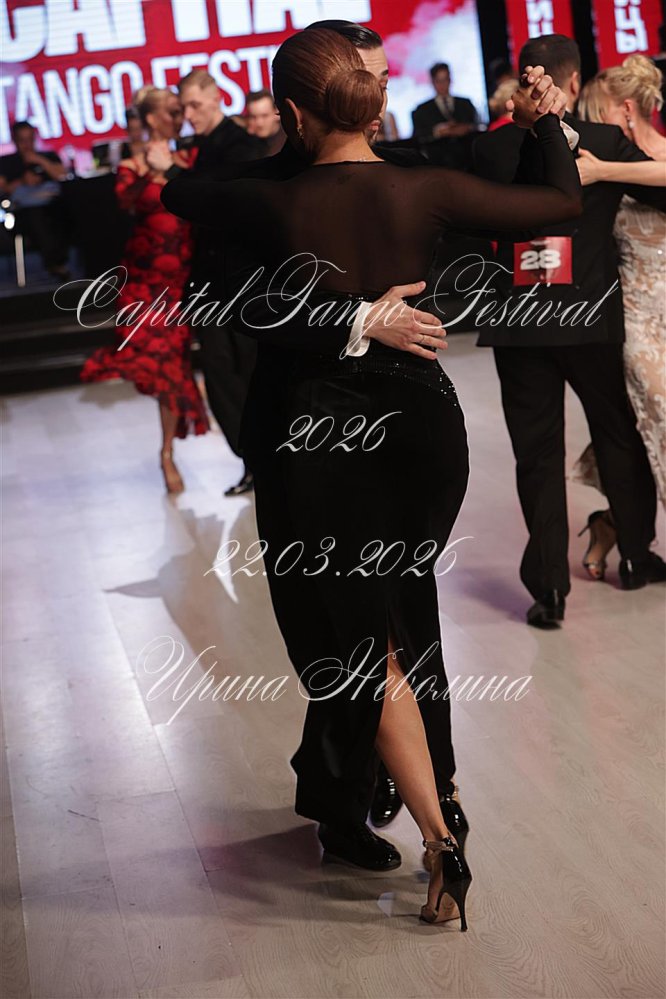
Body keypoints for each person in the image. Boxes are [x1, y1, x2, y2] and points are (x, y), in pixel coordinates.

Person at [163, 27, 581, 927]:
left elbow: (180, 195)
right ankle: (366, 795)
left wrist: (341, 306)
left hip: (316, 435)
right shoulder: (422, 184)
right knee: (395, 621)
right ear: (376, 100)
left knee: (358, 645)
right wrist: (546, 121)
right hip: (422, 431)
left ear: (295, 112)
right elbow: (557, 201)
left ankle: (437, 831)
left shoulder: (269, 198)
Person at [473, 34, 666, 626]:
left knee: (536, 453)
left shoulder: (488, 150)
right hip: (588, 316)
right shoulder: (602, 143)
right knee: (618, 435)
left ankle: (549, 590)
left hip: (519, 321)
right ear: (575, 82)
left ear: (521, 82)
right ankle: (634, 555)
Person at [81, 86, 208, 493]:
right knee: (159, 362)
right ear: (152, 118)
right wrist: (152, 171)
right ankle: (167, 453)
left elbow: (205, 197)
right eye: (172, 111)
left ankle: (167, 449)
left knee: (173, 364)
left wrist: (171, 169)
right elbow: (126, 203)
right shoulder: (132, 166)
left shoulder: (191, 158)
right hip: (145, 282)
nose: (179, 118)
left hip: (183, 281)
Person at [568, 58, 666, 577]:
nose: (591, 123)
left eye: (598, 112)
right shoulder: (593, 161)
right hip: (635, 315)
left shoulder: (607, 164)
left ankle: (612, 522)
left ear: (627, 109)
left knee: (638, 431)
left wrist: (605, 170)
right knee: (658, 413)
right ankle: (628, 532)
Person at [173, 69, 264, 496]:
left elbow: (221, 202)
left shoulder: (240, 145)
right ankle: (253, 460)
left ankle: (265, 461)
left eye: (195, 104)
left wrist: (174, 176)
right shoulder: (206, 147)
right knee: (220, 374)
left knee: (246, 371)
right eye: (184, 107)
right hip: (211, 282)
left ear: (216, 98)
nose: (189, 114)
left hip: (241, 282)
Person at [0, 121, 69, 278]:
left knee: (65, 212)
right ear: (14, 140)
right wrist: (22, 181)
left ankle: (57, 263)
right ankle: (56, 263)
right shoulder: (6, 162)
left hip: (53, 205)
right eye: (22, 140)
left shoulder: (48, 157)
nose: (27, 145)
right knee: (36, 216)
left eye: (30, 139)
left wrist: (39, 161)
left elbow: (63, 175)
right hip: (22, 211)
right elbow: (3, 188)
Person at [411, 63, 479, 167]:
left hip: (467, 162)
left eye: (445, 80)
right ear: (432, 82)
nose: (443, 85)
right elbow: (417, 137)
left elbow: (478, 126)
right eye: (438, 81)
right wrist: (437, 132)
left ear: (450, 80)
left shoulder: (465, 104)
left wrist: (467, 128)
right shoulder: (421, 110)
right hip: (439, 164)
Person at [245, 89, 286, 156]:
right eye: (253, 117)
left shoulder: (290, 142)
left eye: (264, 116)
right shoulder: (245, 146)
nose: (259, 123)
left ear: (277, 113)